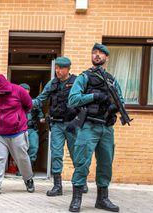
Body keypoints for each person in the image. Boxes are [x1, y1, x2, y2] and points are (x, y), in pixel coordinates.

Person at [67, 44, 123, 212]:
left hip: (106, 128)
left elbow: (120, 100)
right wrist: (94, 96)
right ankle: (76, 198)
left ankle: (102, 199)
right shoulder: (85, 77)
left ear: (107, 58)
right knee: (82, 162)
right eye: (94, 52)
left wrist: (115, 107)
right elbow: (73, 99)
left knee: (106, 163)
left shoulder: (112, 80)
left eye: (101, 53)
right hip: (88, 126)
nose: (97, 55)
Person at [32, 57, 88, 197]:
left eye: (61, 68)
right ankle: (57, 186)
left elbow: (84, 104)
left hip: (72, 124)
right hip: (56, 124)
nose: (57, 70)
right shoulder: (52, 83)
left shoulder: (76, 82)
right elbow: (41, 99)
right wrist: (27, 103)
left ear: (68, 69)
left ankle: (81, 181)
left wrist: (78, 121)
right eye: (56, 67)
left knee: (76, 154)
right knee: (56, 154)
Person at [0, 74, 34, 194]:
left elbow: (29, 105)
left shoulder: (19, 90)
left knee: (22, 158)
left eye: (2, 91)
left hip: (18, 131)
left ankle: (28, 179)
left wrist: (17, 118)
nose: (0, 93)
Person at [19, 83, 45, 171]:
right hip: (19, 130)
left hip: (32, 129)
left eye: (26, 91)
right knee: (20, 150)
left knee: (33, 148)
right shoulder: (15, 102)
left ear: (29, 91)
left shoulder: (34, 103)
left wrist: (42, 118)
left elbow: (40, 114)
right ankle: (22, 170)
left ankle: (29, 170)